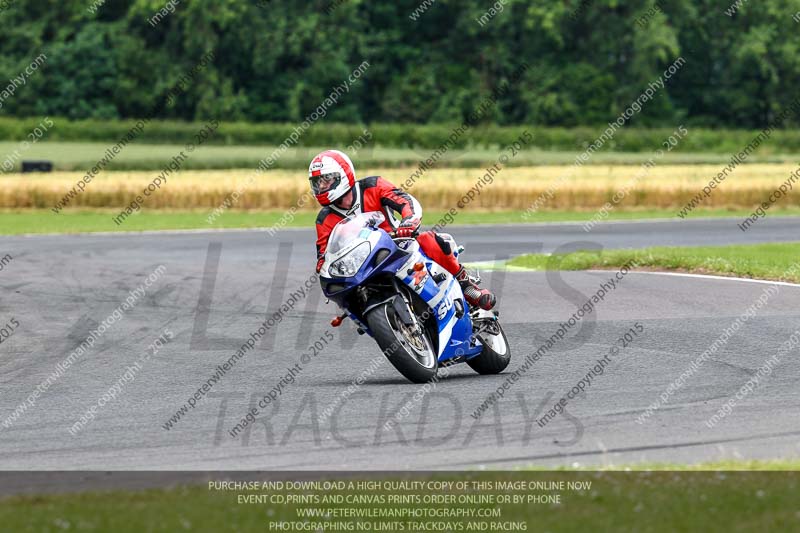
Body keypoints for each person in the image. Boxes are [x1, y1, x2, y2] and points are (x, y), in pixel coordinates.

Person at [309, 149, 496, 310]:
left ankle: (466, 285)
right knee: (346, 296)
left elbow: (405, 201)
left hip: (397, 245)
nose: (322, 186)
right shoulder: (324, 219)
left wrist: (409, 221)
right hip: (362, 266)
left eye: (326, 180)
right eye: (317, 183)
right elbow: (323, 255)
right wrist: (326, 269)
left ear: (343, 175)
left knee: (429, 239)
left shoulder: (372, 186)